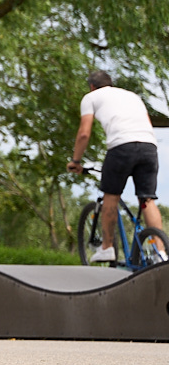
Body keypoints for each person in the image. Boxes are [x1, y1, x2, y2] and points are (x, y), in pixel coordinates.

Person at [68, 68, 165, 263]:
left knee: (110, 196)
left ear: (92, 86)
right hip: (149, 147)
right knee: (147, 199)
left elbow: (84, 133)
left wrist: (76, 161)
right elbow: (146, 124)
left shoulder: (91, 97)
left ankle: (107, 248)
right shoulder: (132, 96)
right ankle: (160, 253)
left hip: (122, 147)